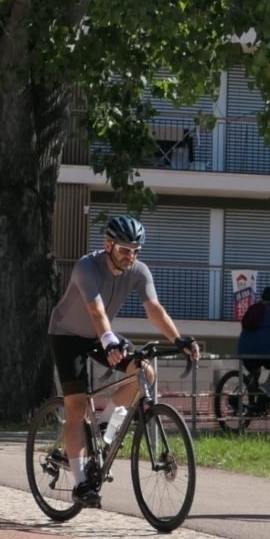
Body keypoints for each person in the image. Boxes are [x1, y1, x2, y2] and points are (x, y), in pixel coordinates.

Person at [46, 214, 200, 506]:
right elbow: (96, 311)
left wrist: (178, 339)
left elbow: (153, 308)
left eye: (135, 251)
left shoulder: (139, 271)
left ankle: (104, 427)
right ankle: (81, 484)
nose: (130, 257)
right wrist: (108, 340)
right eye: (124, 250)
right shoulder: (86, 267)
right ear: (108, 245)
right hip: (67, 335)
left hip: (101, 336)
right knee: (76, 406)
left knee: (144, 372)